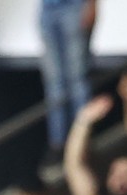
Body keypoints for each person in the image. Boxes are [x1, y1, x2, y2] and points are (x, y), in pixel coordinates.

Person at [39, 0, 95, 159]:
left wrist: (91, 5)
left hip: (74, 6)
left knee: (78, 79)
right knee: (54, 82)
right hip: (47, 7)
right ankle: (58, 144)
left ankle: (82, 141)